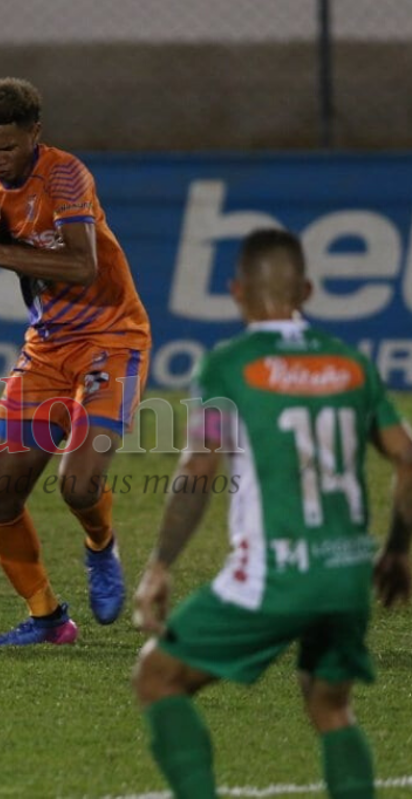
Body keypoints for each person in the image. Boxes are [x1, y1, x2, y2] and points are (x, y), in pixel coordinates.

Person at [132, 228, 412, 799]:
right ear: (307, 288)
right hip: (346, 572)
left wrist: (160, 564)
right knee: (331, 706)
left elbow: (199, 468)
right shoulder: (352, 364)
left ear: (235, 291)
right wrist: (399, 548)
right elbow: (407, 460)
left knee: (158, 678)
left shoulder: (226, 367)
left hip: (276, 573)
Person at [0, 77, 151, 646]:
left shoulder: (65, 174)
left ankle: (101, 547)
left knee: (78, 487)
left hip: (112, 339)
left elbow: (81, 265)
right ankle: (50, 619)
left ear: (34, 134)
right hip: (46, 348)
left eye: (7, 147)